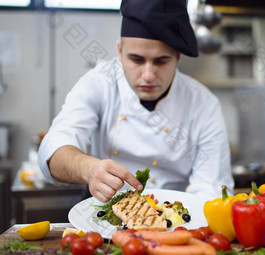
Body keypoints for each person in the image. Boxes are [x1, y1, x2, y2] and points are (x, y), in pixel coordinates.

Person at [38, 0, 234, 203]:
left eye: (161, 61)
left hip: (176, 216)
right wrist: (89, 169)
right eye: (137, 60)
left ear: (178, 56)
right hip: (106, 213)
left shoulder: (203, 103)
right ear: (120, 52)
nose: (148, 75)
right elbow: (53, 149)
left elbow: (212, 189)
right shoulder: (101, 82)